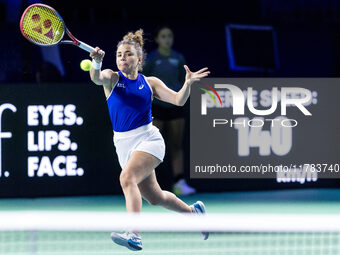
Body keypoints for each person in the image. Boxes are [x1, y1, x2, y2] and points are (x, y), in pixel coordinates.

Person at [89, 29, 210, 251]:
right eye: (119, 55)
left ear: (139, 59)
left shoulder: (150, 82)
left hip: (149, 140)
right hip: (124, 146)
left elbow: (177, 100)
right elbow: (97, 77)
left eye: (128, 54)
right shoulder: (112, 78)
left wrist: (188, 84)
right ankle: (194, 214)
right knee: (155, 197)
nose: (122, 58)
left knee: (127, 179)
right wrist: (96, 63)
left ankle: (134, 233)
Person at [143, 26, 196, 195]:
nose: (167, 39)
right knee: (151, 146)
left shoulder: (178, 58)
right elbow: (144, 81)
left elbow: (182, 81)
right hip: (156, 108)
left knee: (176, 145)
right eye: (163, 36)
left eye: (170, 36)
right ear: (158, 39)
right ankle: (149, 185)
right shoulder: (151, 58)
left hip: (175, 108)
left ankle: (179, 182)